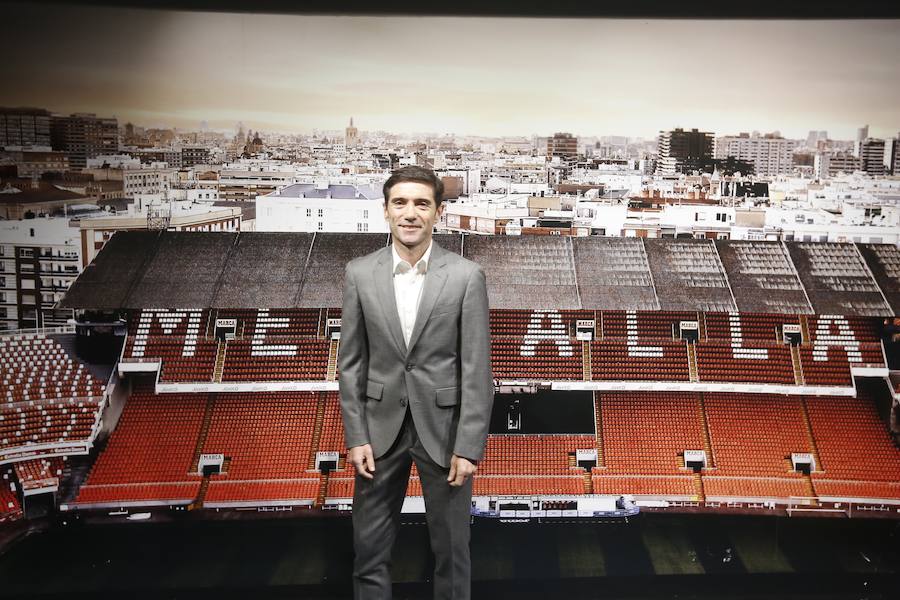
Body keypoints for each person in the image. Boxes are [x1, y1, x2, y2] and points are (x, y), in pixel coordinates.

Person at [338, 165, 493, 599]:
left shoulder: (466, 276)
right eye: (400, 203)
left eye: (422, 203)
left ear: (438, 212)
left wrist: (469, 446)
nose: (410, 213)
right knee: (368, 554)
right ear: (386, 211)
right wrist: (356, 435)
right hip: (377, 435)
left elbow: (478, 371)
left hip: (444, 436)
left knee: (452, 555)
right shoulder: (359, 273)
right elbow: (350, 364)